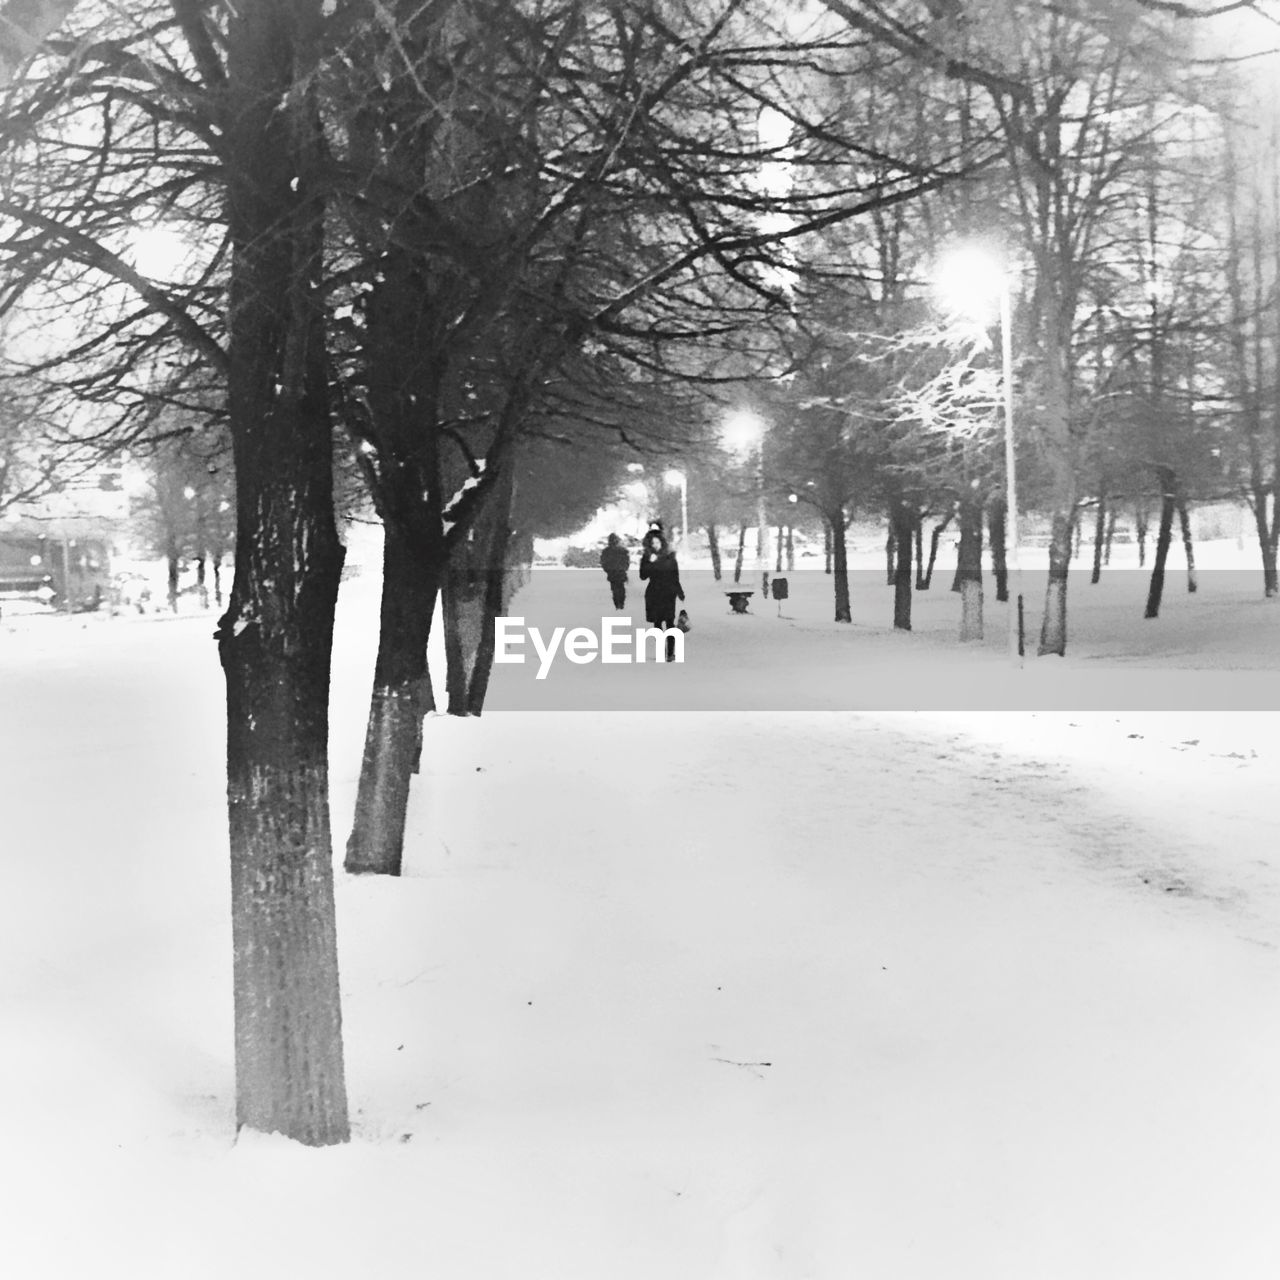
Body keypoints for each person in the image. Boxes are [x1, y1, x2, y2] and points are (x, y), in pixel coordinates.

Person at [638, 527, 685, 661]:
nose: (655, 546)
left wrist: (680, 592)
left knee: (670, 623)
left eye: (657, 543)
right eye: (652, 543)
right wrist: (650, 563)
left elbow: (675, 576)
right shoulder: (647, 558)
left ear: (662, 543)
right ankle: (661, 651)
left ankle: (670, 653)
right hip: (654, 593)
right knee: (657, 624)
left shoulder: (670, 557)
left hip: (668, 593)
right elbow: (642, 576)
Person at [599, 533, 630, 609]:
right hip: (620, 573)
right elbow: (626, 562)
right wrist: (624, 569)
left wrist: (608, 570)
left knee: (615, 590)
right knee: (621, 589)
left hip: (613, 573)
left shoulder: (606, 551)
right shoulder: (623, 551)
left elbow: (603, 562)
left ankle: (618, 605)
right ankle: (620, 604)